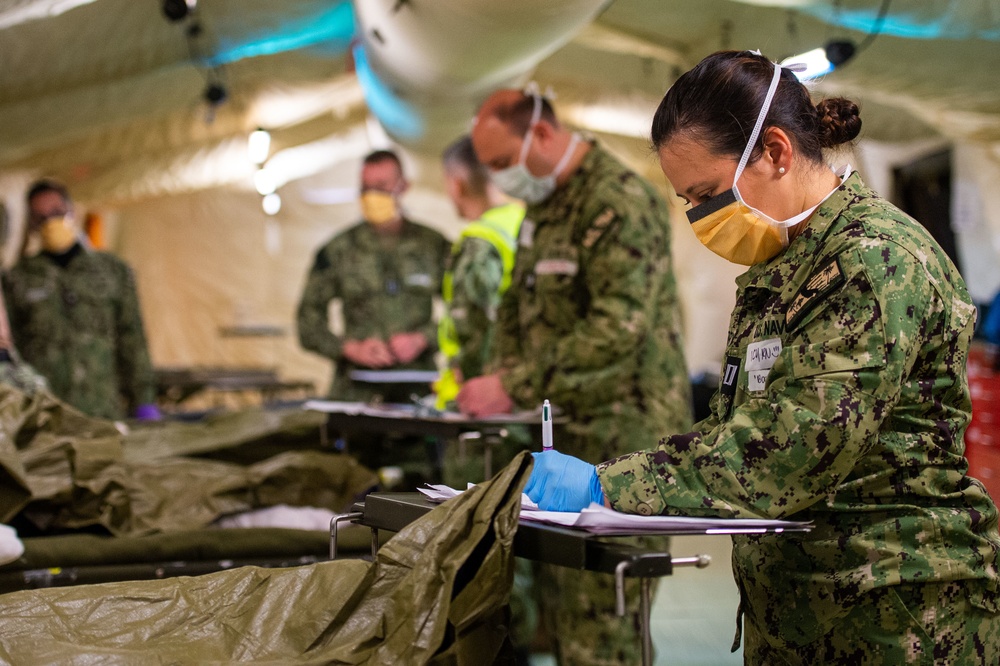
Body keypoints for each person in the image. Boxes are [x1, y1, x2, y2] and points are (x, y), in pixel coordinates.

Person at [525, 50, 1000, 664]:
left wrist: (606, 485)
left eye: (706, 193)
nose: (700, 217)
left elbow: (792, 447)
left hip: (896, 612)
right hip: (800, 607)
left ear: (776, 152)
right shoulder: (781, 267)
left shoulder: (875, 260)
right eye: (687, 201)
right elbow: (739, 427)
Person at [460, 88, 692, 665]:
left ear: (539, 135)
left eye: (499, 162)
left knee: (604, 622)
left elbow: (620, 326)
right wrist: (498, 378)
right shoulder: (546, 207)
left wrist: (514, 385)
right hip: (561, 437)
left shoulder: (618, 200)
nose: (498, 178)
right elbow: (517, 303)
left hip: (624, 439)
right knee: (565, 617)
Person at [296, 150, 450, 481]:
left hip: (418, 398)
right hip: (357, 400)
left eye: (382, 186)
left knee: (424, 495)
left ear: (403, 186)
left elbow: (468, 315)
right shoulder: (338, 251)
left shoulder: (433, 246)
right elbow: (307, 321)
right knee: (349, 491)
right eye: (366, 188)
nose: (373, 196)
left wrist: (426, 336)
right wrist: (348, 347)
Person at [3, 180, 159, 421]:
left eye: (56, 212)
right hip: (47, 413)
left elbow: (132, 338)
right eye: (40, 216)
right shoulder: (18, 278)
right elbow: (13, 348)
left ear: (71, 211)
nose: (50, 222)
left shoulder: (112, 271)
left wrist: (144, 399)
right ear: (31, 223)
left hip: (102, 409)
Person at [434, 134, 524, 409]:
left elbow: (474, 329)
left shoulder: (480, 242)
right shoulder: (524, 221)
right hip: (523, 393)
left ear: (456, 183)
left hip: (483, 402)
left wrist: (465, 378)